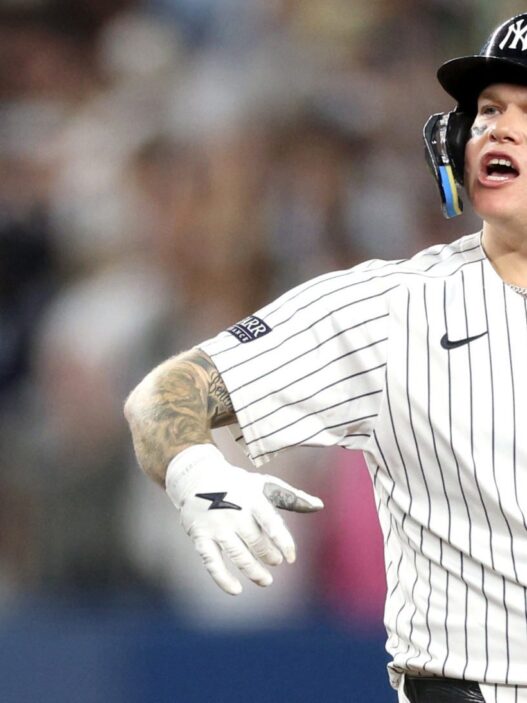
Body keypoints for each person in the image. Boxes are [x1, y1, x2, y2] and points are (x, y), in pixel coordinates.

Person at [124, 13, 527, 703]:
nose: (499, 129)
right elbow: (169, 390)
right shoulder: (391, 309)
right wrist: (196, 470)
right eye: (487, 109)